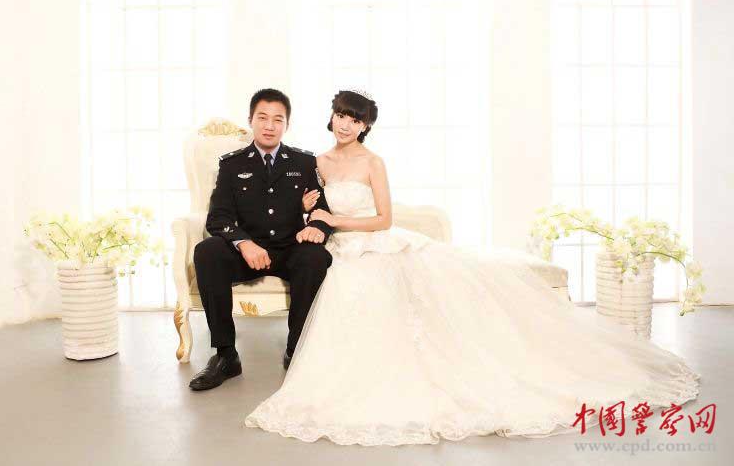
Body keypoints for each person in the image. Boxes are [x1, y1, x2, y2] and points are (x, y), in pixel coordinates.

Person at [243, 89, 701, 445]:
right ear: (331, 117)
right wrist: (311, 212)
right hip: (342, 250)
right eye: (341, 115)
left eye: (355, 119)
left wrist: (332, 219)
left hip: (374, 242)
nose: (346, 123)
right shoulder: (316, 162)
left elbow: (383, 218)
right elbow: (308, 208)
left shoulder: (373, 162)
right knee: (346, 289)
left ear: (365, 127)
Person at [188, 88, 334, 391]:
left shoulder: (303, 162)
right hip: (248, 252)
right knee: (207, 251)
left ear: (287, 125)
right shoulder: (232, 165)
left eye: (278, 119)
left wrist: (317, 226)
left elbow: (321, 210)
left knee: (315, 256)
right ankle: (226, 355)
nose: (270, 126)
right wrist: (244, 243)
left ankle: (296, 348)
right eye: (263, 118)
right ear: (251, 121)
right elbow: (218, 218)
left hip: (289, 249)